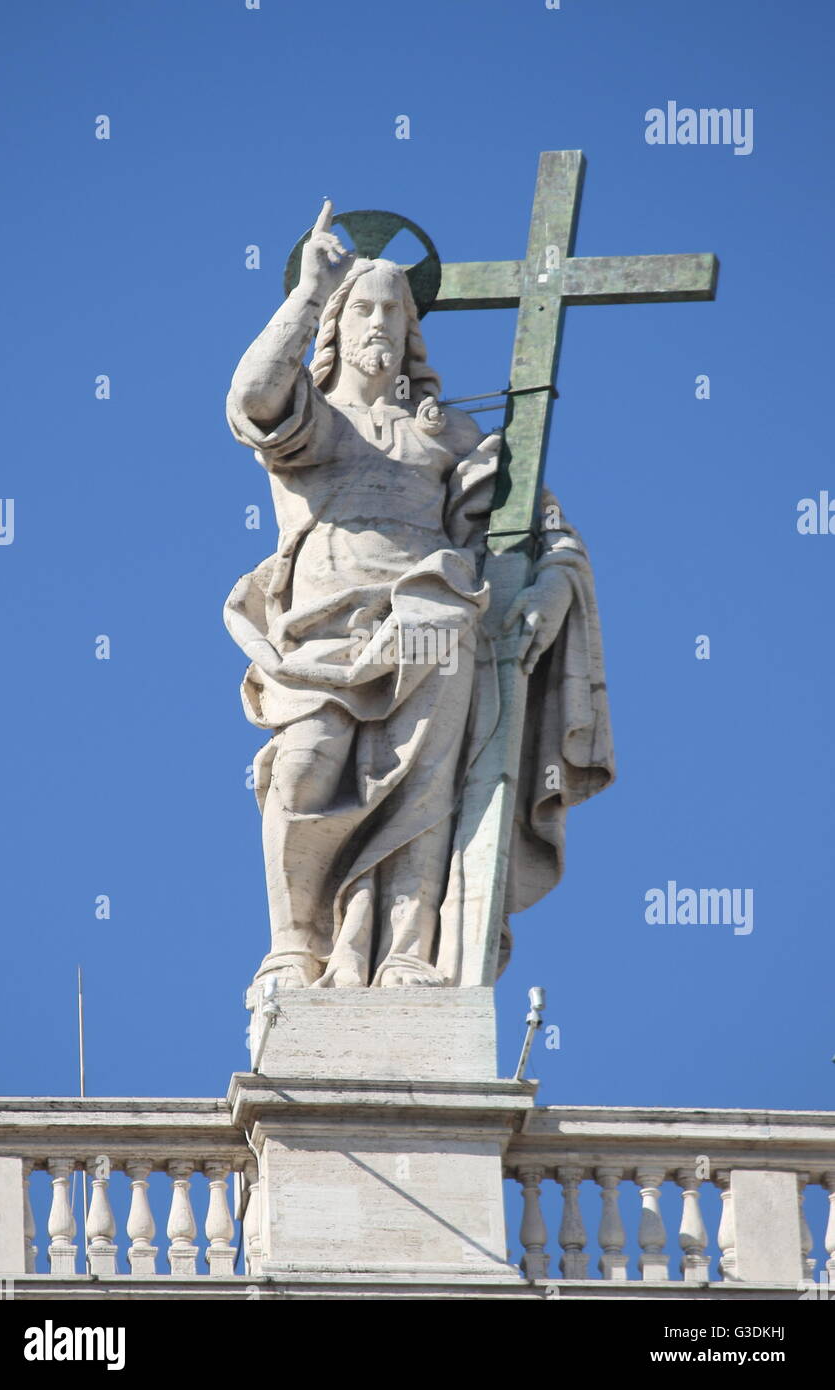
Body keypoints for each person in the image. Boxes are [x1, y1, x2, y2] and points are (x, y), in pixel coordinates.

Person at [224, 201, 613, 988]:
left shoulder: (450, 436)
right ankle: (296, 946)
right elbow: (254, 397)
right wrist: (307, 293)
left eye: (392, 311)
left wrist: (548, 589)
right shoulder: (315, 422)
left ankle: (406, 950)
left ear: (412, 332)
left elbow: (544, 530)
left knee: (423, 787)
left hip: (433, 617)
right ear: (334, 323)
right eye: (361, 307)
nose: (377, 323)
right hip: (319, 630)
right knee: (303, 769)